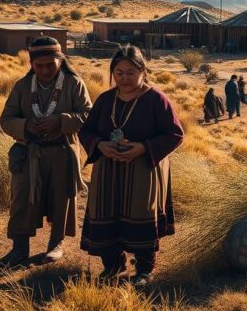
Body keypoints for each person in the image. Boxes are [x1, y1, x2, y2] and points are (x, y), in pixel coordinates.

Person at [78, 45, 184, 286]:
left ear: (142, 71)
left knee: (140, 214)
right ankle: (113, 266)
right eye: (119, 72)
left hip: (143, 170)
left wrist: (143, 148)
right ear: (112, 73)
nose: (124, 78)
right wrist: (100, 145)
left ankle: (145, 269)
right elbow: (86, 131)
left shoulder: (156, 99)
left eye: (130, 72)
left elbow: (175, 134)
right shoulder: (106, 100)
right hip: (108, 169)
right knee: (106, 212)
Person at [0, 37, 92, 266]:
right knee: (21, 199)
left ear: (61, 60)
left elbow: (89, 115)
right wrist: (26, 126)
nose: (45, 70)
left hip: (62, 151)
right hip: (29, 153)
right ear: (31, 64)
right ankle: (19, 249)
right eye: (39, 66)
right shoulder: (22, 86)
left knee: (61, 198)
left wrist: (61, 121)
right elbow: (6, 119)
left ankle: (55, 245)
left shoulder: (73, 84)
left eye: (51, 65)